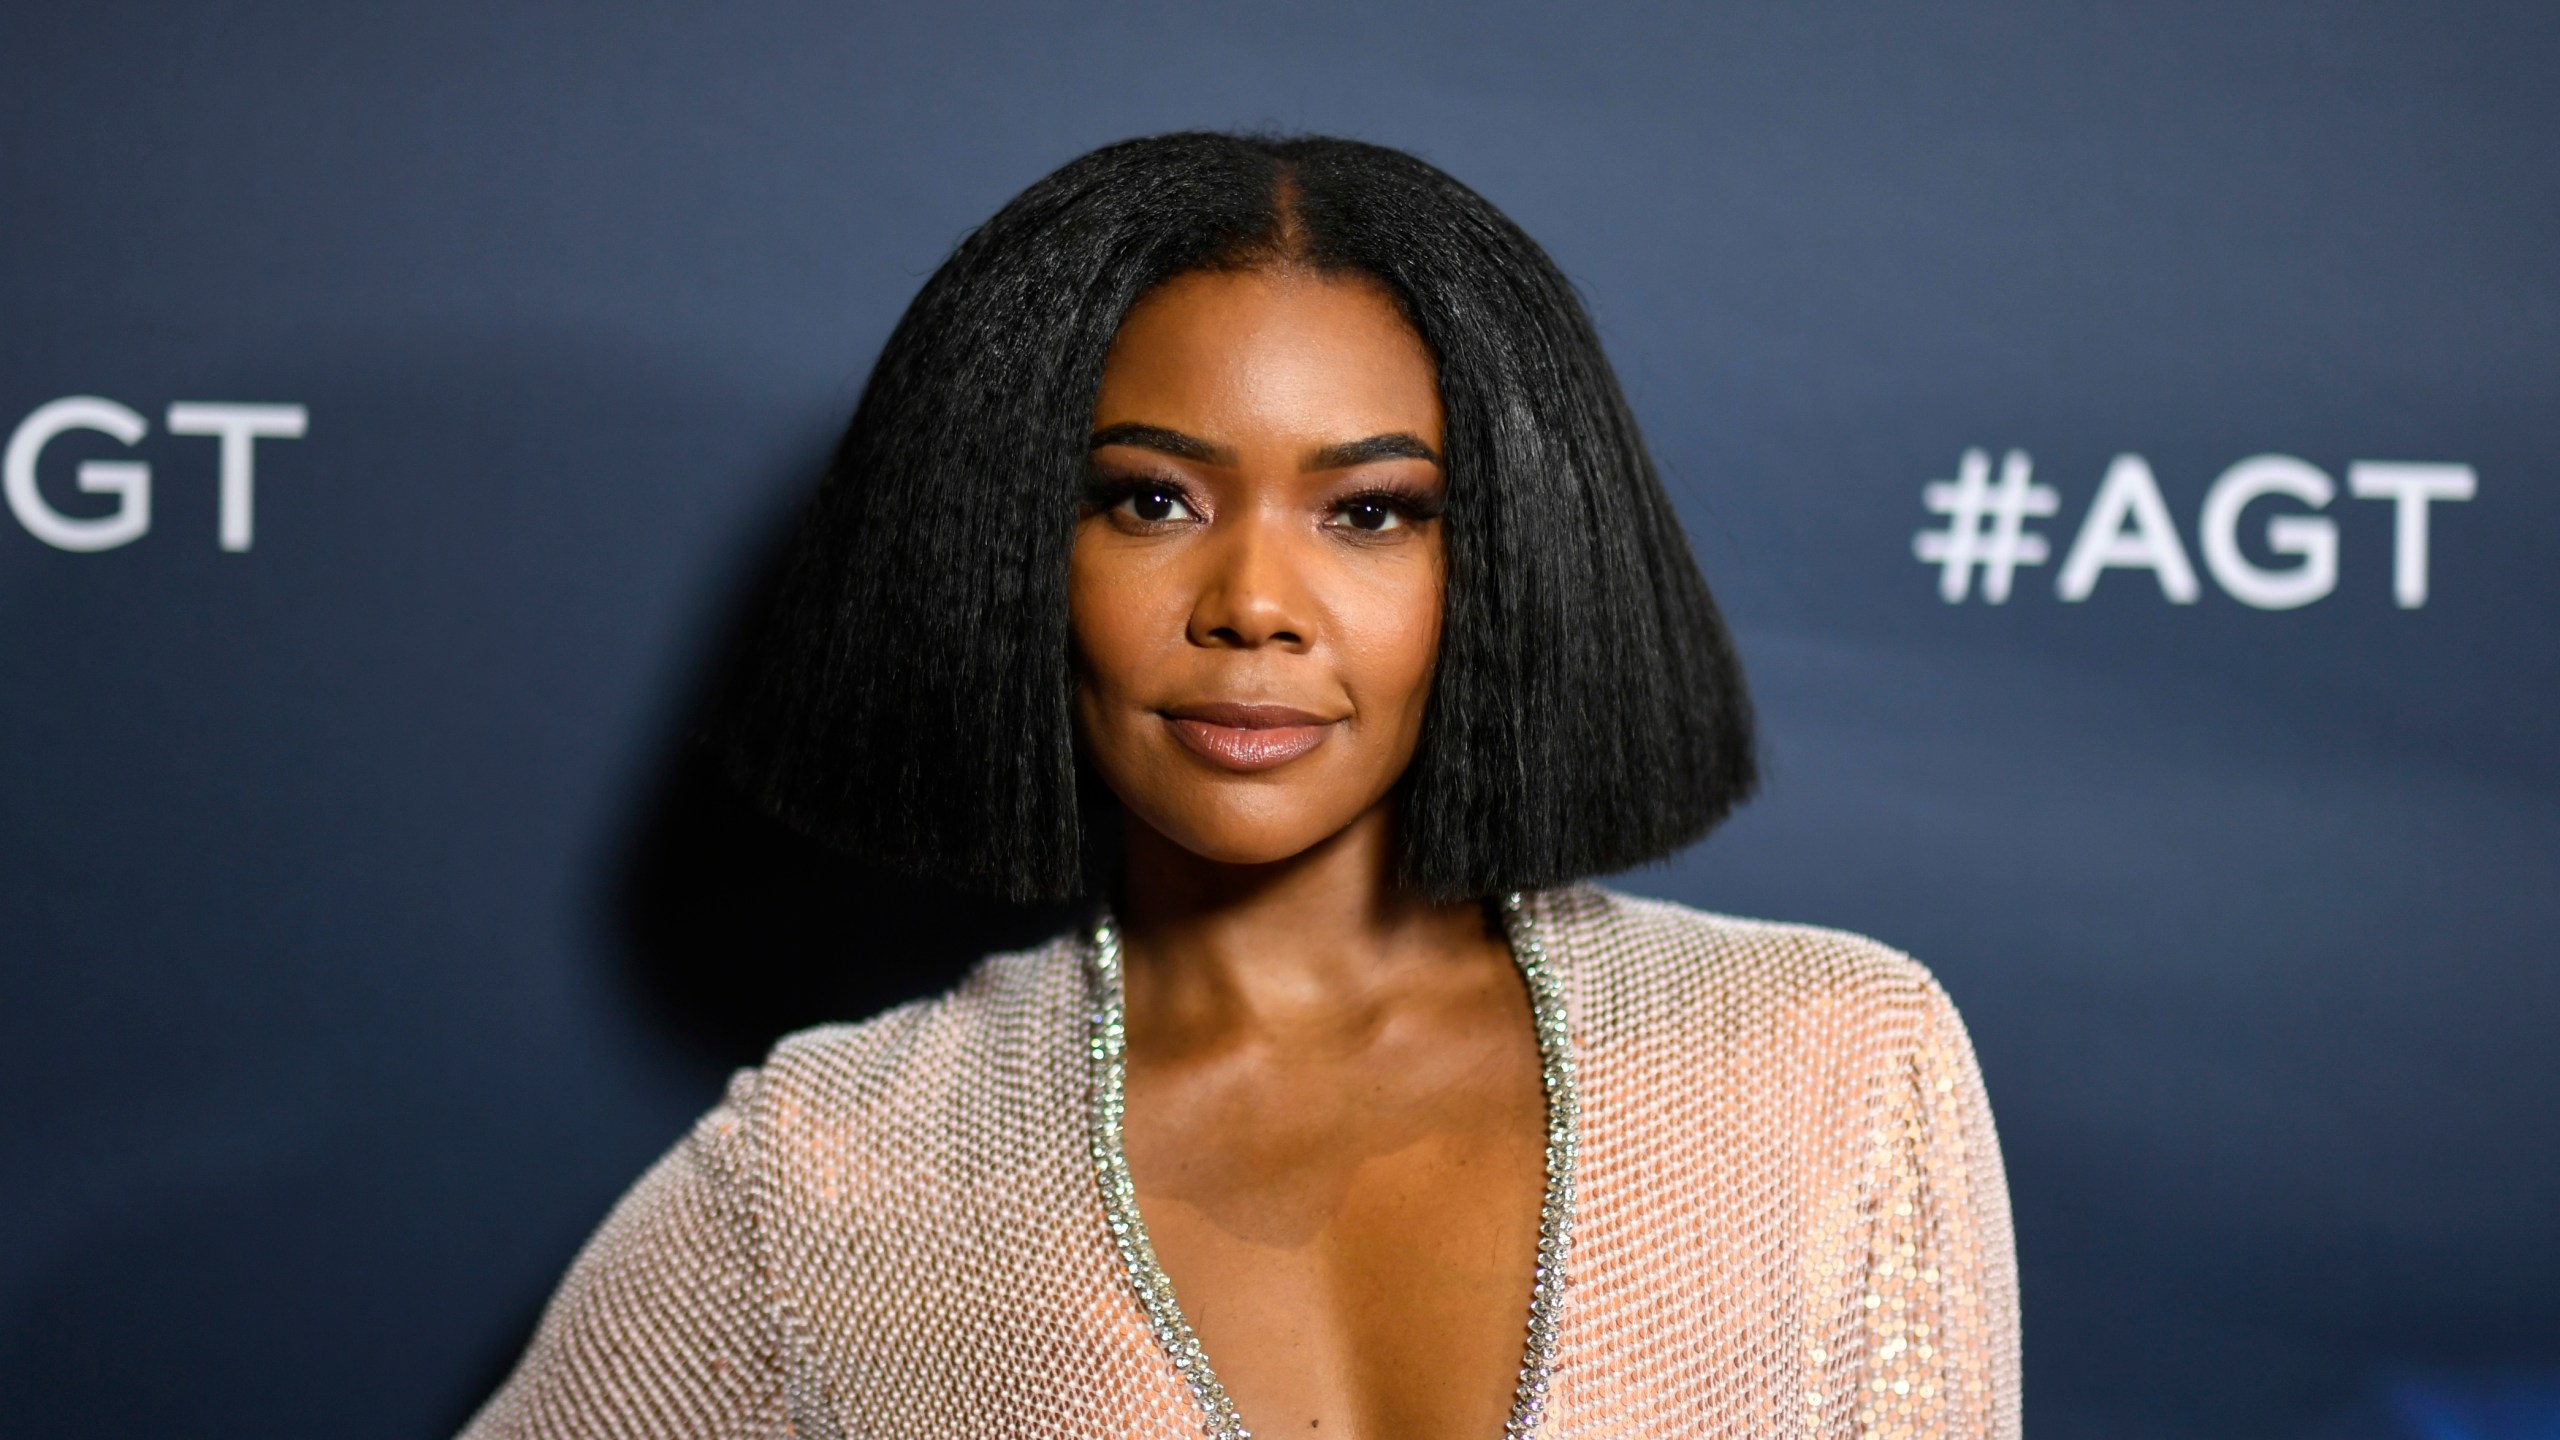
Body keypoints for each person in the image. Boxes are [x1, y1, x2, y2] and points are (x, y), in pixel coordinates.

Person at [460, 132, 2018, 1440]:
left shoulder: (1830, 1059)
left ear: (1507, 560)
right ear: (1012, 547)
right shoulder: (825, 1175)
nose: (1253, 602)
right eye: (1150, 500)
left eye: (1373, 513)